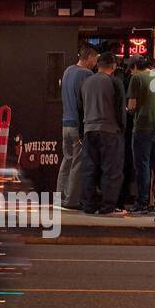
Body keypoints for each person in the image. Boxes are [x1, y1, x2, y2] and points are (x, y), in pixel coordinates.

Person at [78, 53, 128, 216]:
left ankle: (89, 205)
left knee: (88, 168)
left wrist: (82, 130)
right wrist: (122, 128)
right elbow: (120, 109)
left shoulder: (86, 82)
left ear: (97, 65)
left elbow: (81, 108)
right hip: (109, 130)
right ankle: (107, 207)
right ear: (113, 66)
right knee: (111, 170)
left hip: (88, 129)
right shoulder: (115, 82)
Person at [127, 56, 155, 215]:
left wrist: (129, 111)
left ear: (134, 68)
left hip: (143, 127)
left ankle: (142, 203)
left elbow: (132, 105)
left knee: (143, 165)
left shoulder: (137, 78)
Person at [57, 45, 98, 209]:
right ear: (89, 57)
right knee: (77, 163)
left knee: (66, 160)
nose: (96, 62)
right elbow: (85, 101)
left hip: (65, 122)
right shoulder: (87, 74)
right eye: (95, 58)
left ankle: (60, 195)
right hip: (78, 124)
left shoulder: (68, 71)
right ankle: (71, 201)